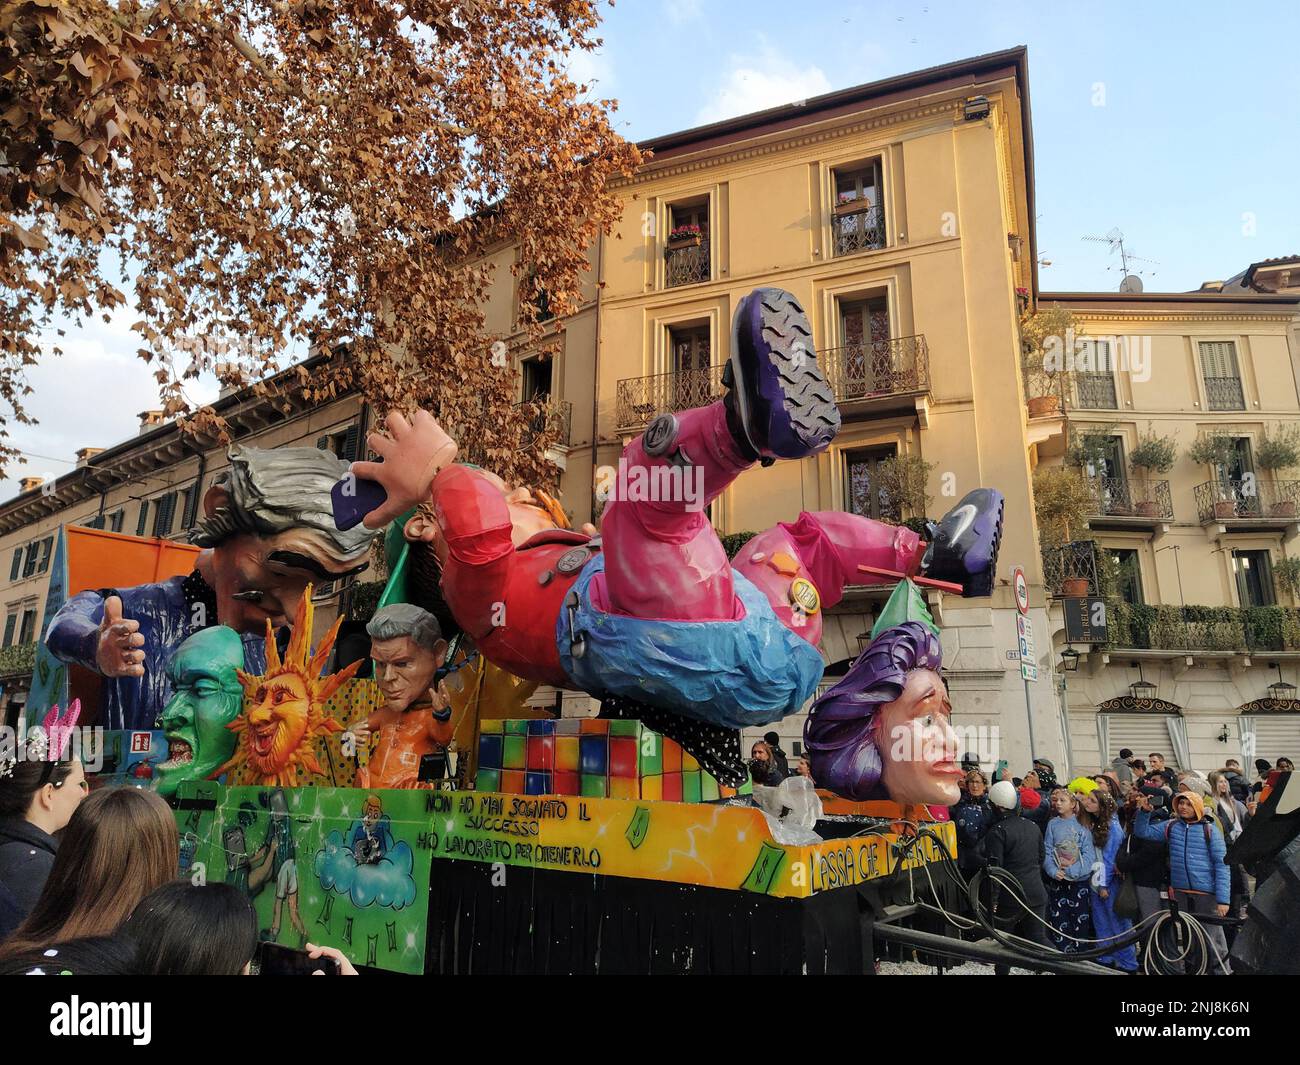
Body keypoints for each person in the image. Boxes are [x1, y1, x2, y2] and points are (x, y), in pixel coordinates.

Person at [354, 288, 1003, 787]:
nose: (520, 498)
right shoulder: (474, 587)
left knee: (798, 541)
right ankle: (747, 423)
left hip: (752, 636)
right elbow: (477, 531)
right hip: (676, 641)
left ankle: (934, 552)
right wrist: (437, 475)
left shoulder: (554, 568)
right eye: (516, 495)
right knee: (640, 493)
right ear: (423, 528)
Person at [45, 445, 380, 730]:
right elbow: (63, 624)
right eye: (278, 573)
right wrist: (96, 646)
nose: (294, 612)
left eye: (312, 589)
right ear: (220, 508)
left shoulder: (284, 653)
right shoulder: (135, 611)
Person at [0, 786, 178, 962]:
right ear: (164, 857)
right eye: (79, 783)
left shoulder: (22, 947)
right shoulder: (164, 956)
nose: (83, 791)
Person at [0, 706, 87, 922]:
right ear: (49, 793)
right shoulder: (35, 868)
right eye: (80, 784)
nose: (85, 794)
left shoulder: (17, 849)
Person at [352, 604, 453, 789]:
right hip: (371, 794)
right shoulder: (385, 714)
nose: (388, 677)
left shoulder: (429, 717)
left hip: (407, 795)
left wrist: (441, 715)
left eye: (402, 663)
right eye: (381, 664)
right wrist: (350, 738)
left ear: (438, 654)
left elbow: (444, 737)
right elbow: (354, 733)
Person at [1131, 790, 1232, 974]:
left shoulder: (1209, 830)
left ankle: (1222, 972)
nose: (1183, 807)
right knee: (1191, 939)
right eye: (1181, 803)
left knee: (1213, 939)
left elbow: (1222, 864)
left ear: (1197, 807)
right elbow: (1143, 832)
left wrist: (1223, 900)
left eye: (1188, 804)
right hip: (1181, 892)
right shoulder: (1171, 826)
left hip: (1206, 894)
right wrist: (1144, 812)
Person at [980, 779, 1048, 974]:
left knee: (1004, 943)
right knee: (1039, 939)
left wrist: (992, 900)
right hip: (1036, 892)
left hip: (1010, 896)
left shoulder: (998, 831)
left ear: (998, 807)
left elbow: (995, 869)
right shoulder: (1032, 826)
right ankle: (1065, 968)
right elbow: (1040, 857)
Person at [1078, 786, 1137, 972]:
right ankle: (1105, 956)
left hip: (1108, 881)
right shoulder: (1095, 823)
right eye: (1087, 799)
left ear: (1102, 806)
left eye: (1092, 801)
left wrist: (1104, 884)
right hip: (1095, 878)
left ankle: (1128, 962)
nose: (1087, 802)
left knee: (1118, 923)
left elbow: (1111, 859)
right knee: (1100, 921)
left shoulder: (1113, 827)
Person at [1042, 787, 1097, 953]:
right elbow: (1047, 850)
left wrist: (1073, 871)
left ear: (1073, 804)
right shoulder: (1053, 824)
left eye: (1062, 800)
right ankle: (1063, 956)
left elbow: (1089, 855)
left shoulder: (1083, 825)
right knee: (1059, 919)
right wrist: (1052, 870)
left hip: (1078, 882)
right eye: (1056, 800)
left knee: (1080, 922)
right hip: (1058, 880)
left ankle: (1081, 956)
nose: (1058, 803)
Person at [1116, 786, 1171, 926]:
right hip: (1140, 878)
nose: (1137, 798)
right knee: (1143, 922)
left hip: (1150, 880)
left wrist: (1123, 863)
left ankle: (1156, 948)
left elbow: (1149, 851)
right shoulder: (1140, 816)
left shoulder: (1160, 821)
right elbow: (1130, 839)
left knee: (1152, 923)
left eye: (1142, 795)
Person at [1208, 770, 1251, 917]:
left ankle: (1241, 905)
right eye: (1220, 781)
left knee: (1240, 880)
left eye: (1225, 781)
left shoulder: (1233, 802)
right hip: (1225, 846)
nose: (1224, 784)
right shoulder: (1213, 803)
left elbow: (1241, 823)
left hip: (1237, 845)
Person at [949, 769, 996, 876]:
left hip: (983, 857)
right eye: (971, 782)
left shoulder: (991, 806)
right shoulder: (958, 804)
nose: (975, 786)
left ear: (984, 785)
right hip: (963, 858)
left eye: (978, 782)